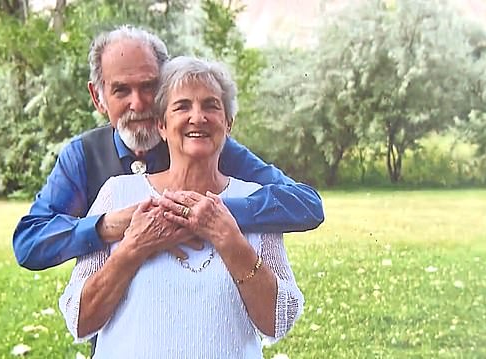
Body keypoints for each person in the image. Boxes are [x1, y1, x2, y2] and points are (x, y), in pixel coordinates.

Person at [12, 25, 324, 272]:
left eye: (148, 86)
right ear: (98, 97)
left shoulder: (205, 144)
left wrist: (212, 214)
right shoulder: (82, 156)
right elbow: (29, 242)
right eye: (121, 90)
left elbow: (306, 204)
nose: (138, 103)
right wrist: (109, 226)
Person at [60, 56, 304, 358]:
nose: (198, 117)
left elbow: (277, 322)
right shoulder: (119, 193)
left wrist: (229, 239)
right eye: (182, 106)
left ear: (228, 124)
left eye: (212, 106)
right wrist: (135, 247)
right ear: (161, 125)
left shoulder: (253, 200)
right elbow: (79, 321)